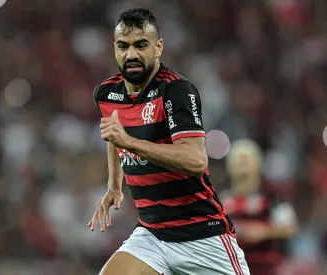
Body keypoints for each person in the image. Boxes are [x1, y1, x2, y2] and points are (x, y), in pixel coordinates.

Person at [88, 8, 250, 275]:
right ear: (114, 49)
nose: (131, 55)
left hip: (201, 235)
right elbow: (112, 133)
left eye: (141, 45)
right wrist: (114, 185)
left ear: (158, 47)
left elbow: (196, 160)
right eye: (123, 46)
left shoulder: (176, 91)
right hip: (153, 234)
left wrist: (129, 141)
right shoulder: (107, 93)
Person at [220, 139, 298, 275]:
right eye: (238, 160)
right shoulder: (222, 202)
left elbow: (290, 228)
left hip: (266, 269)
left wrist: (264, 232)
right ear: (229, 165)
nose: (242, 165)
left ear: (258, 163)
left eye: (247, 160)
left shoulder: (272, 199)